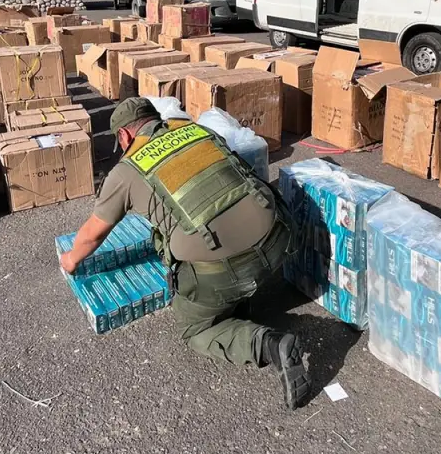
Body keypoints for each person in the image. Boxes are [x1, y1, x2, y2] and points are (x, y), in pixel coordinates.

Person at [59, 97, 310, 409]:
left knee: (195, 330)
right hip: (280, 237)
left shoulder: (126, 171)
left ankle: (269, 344)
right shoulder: (198, 131)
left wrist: (70, 260)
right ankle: (239, 297)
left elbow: (92, 234)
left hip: (228, 269)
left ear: (124, 136)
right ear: (156, 118)